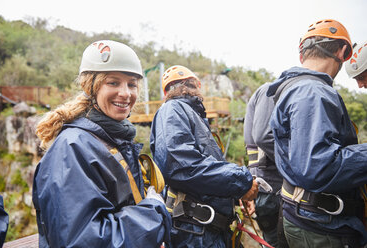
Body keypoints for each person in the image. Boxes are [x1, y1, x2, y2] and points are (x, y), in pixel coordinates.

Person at [32, 40, 171, 247]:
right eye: (113, 83)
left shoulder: (109, 140)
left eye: (132, 84)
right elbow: (82, 240)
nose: (125, 93)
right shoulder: (72, 149)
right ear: (92, 87)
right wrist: (153, 211)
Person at [266, 19, 367, 247]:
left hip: (303, 214)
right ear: (343, 52)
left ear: (303, 55)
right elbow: (318, 166)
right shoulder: (313, 92)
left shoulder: (293, 88)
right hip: (319, 225)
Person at [150, 65, 259, 247]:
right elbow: (180, 165)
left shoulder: (191, 115)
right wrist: (241, 181)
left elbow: (204, 169)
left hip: (205, 230)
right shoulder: (173, 109)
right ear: (197, 86)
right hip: (193, 232)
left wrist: (233, 194)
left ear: (166, 92)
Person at [244, 82, 289, 248]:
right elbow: (263, 137)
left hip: (264, 187)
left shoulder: (264, 94)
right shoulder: (270, 92)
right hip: (272, 189)